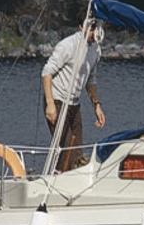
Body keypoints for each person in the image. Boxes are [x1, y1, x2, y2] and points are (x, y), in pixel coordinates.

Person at [41, 22, 105, 172]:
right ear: (81, 27)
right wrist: (50, 104)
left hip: (74, 103)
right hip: (57, 100)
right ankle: (58, 179)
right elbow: (46, 73)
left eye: (97, 28)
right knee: (67, 145)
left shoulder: (95, 50)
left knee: (77, 150)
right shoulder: (67, 46)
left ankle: (71, 179)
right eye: (92, 28)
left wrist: (96, 105)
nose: (95, 32)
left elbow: (91, 80)